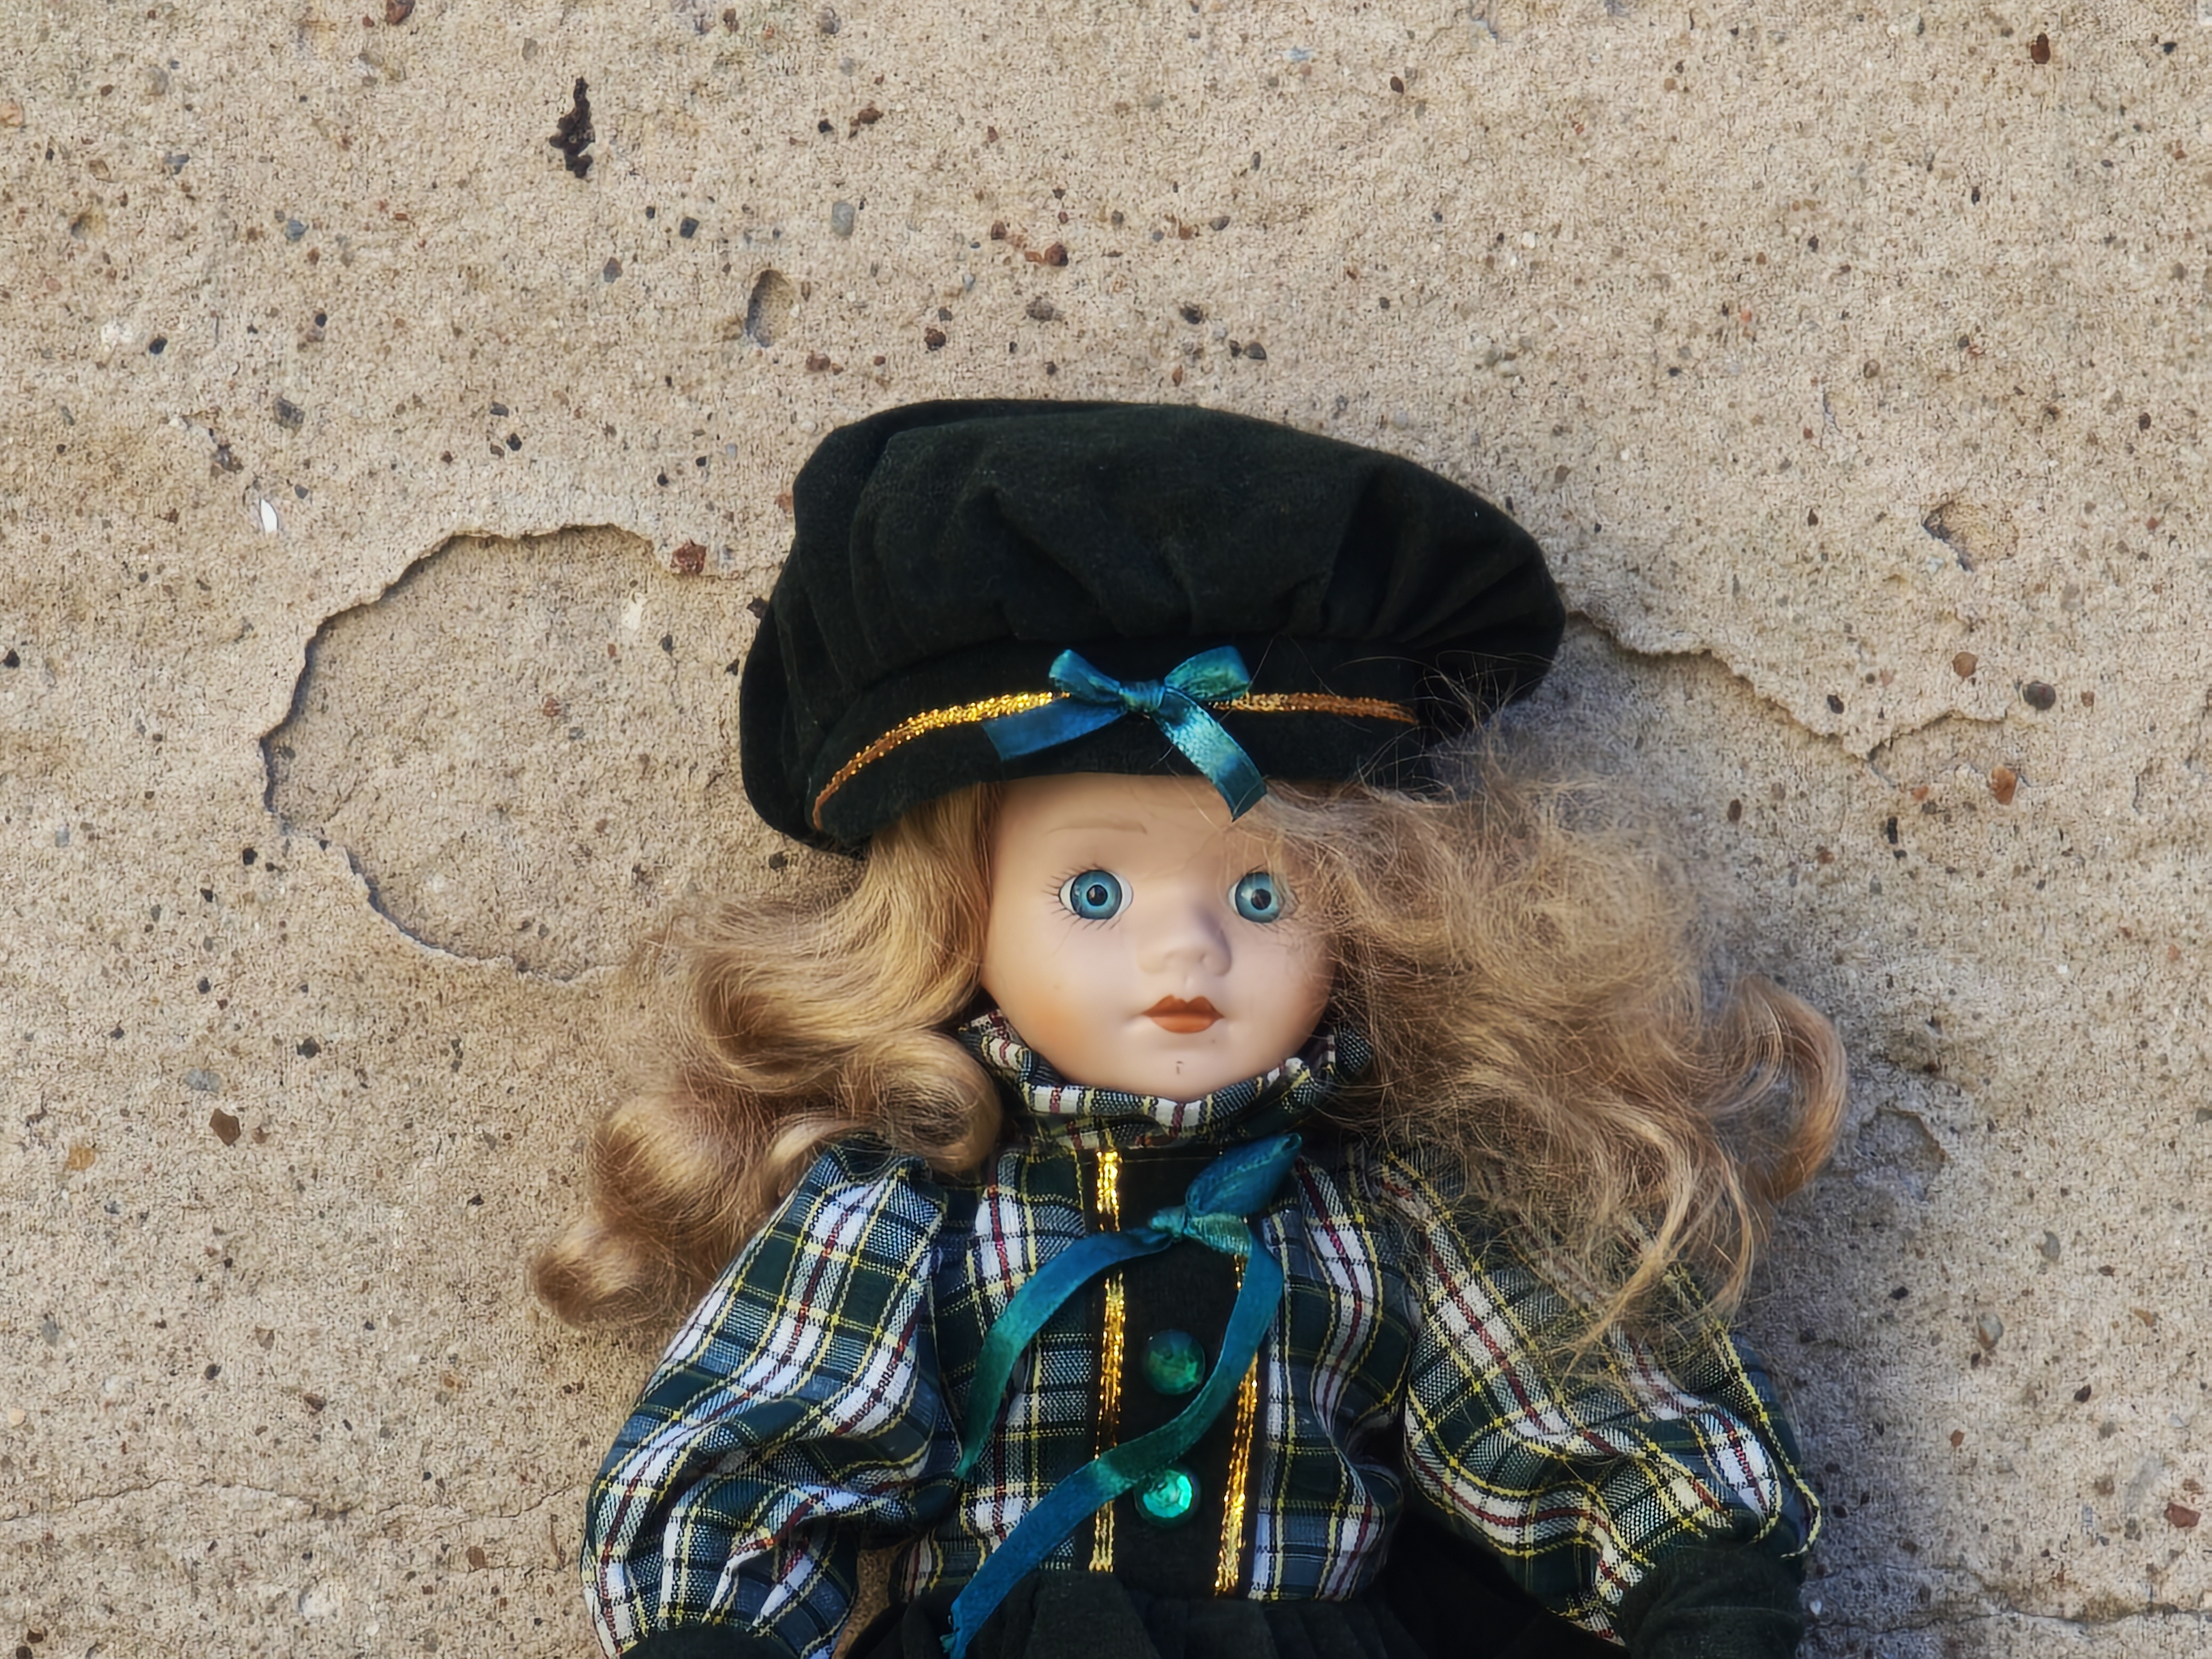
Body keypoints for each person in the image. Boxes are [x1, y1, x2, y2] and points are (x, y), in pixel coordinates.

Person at [534, 400, 1846, 1659]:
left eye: (1262, 894)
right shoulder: (909, 1211)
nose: (1186, 952)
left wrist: (1702, 1592)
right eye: (1092, 894)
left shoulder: (1398, 1210)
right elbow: (767, 1433)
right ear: (955, 917)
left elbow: (1556, 1404)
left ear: (1376, 916)